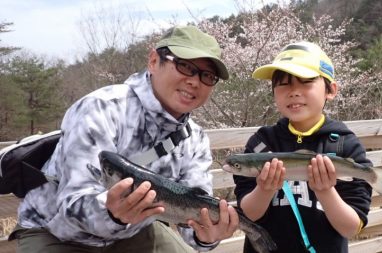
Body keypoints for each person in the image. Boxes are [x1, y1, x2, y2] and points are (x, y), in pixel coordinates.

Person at [11, 25, 239, 253]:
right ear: (153, 61)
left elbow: (194, 224)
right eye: (185, 66)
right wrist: (111, 213)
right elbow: (72, 204)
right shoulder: (101, 109)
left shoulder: (195, 138)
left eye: (207, 75)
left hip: (134, 231)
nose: (195, 81)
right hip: (56, 231)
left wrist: (207, 235)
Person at [233, 41, 372, 252]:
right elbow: (249, 214)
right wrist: (264, 189)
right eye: (283, 83)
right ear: (273, 92)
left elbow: (352, 228)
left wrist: (326, 191)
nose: (294, 91)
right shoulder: (261, 144)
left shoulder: (345, 144)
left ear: (331, 90)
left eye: (306, 81)